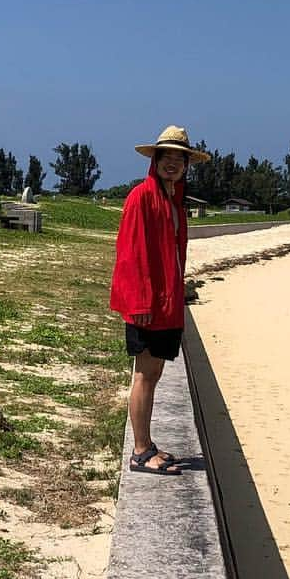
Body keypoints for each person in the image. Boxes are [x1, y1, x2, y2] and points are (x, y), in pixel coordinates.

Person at [109, 125, 210, 475]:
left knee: (154, 375)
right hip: (148, 305)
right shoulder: (142, 196)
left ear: (186, 164)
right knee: (144, 376)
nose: (172, 163)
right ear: (155, 161)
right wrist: (141, 305)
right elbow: (131, 253)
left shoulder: (173, 199)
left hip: (166, 305)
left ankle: (147, 444)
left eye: (178, 158)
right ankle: (140, 452)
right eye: (165, 157)